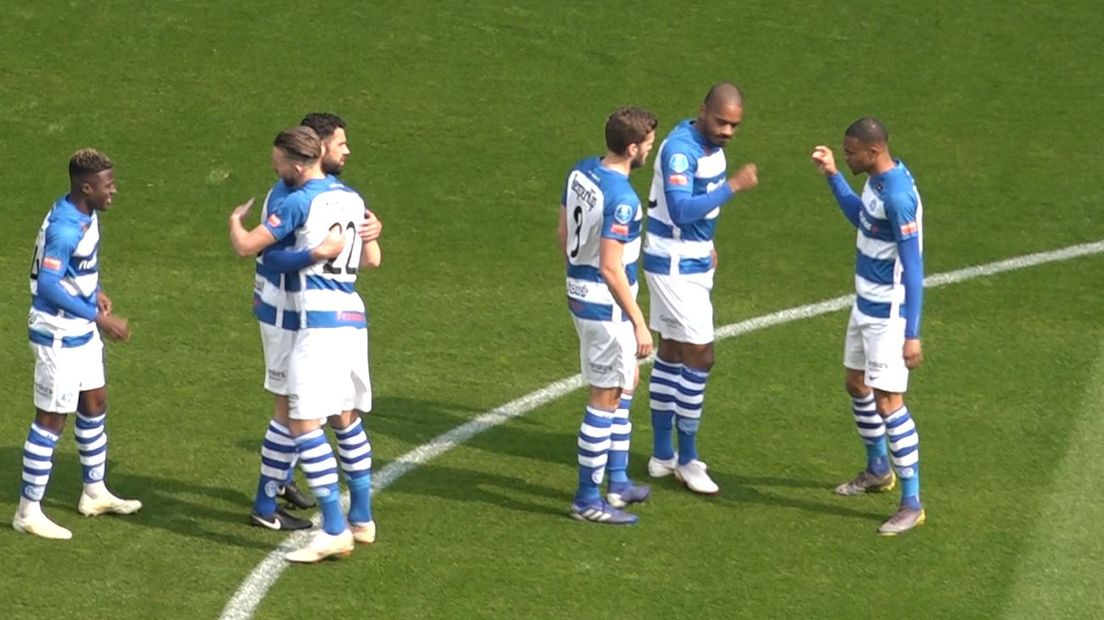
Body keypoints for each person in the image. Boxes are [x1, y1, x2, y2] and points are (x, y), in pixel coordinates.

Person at [229, 125, 381, 562]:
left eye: (278, 164)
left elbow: (252, 250)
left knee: (302, 420)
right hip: (353, 316)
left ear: (298, 164)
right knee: (345, 416)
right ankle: (363, 518)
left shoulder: (297, 199)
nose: (275, 171)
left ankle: (333, 527)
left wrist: (236, 223)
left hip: (315, 321)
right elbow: (373, 258)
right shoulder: (352, 197)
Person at [15, 149, 140, 540]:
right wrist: (100, 318)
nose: (114, 191)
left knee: (94, 403)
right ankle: (28, 511)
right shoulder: (66, 227)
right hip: (58, 333)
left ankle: (95, 491)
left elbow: (74, 268)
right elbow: (49, 285)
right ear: (87, 187)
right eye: (108, 185)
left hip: (78, 328)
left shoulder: (85, 214)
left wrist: (96, 291)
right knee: (51, 419)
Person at [810, 117, 926, 535]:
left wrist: (912, 333)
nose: (847, 155)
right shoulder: (876, 182)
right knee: (856, 384)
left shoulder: (897, 195)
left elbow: (914, 269)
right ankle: (879, 469)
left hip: (888, 318)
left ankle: (912, 502)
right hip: (864, 307)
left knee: (889, 403)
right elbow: (862, 220)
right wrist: (834, 177)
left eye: (850, 152)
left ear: (873, 152)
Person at [643, 83, 758, 495]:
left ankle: (661, 455)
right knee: (701, 356)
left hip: (687, 258)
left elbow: (696, 208)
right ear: (702, 111)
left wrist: (706, 242)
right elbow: (679, 208)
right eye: (721, 121)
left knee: (672, 352)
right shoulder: (681, 150)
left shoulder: (707, 145)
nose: (727, 131)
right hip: (674, 266)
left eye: (734, 125)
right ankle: (688, 460)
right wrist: (734, 187)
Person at [558, 107, 657, 524]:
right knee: (606, 398)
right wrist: (638, 321)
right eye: (649, 144)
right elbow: (611, 267)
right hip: (607, 307)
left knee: (626, 381)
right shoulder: (623, 201)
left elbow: (564, 233)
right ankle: (586, 500)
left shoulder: (581, 170)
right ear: (632, 148)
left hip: (580, 292)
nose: (650, 150)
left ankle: (616, 482)